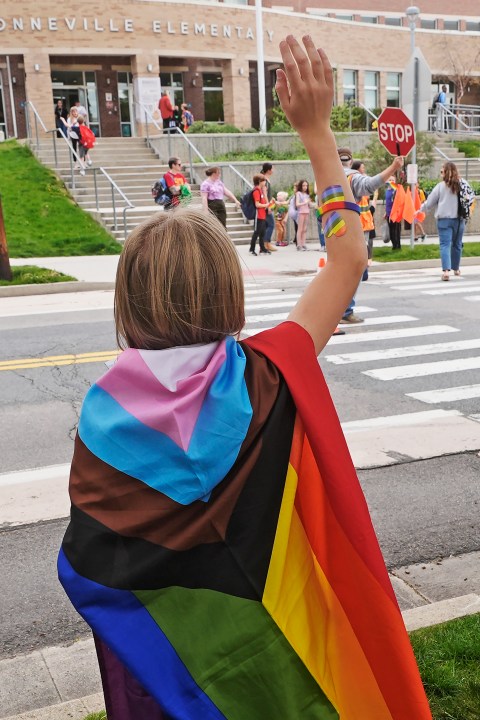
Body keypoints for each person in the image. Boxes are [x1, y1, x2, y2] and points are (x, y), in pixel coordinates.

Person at [58, 35, 431, 720]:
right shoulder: (269, 371)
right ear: (228, 295)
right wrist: (316, 132)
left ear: (129, 303)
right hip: (294, 673)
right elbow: (347, 257)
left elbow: (95, 569)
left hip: (181, 690)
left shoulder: (101, 417)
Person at [338, 147, 403, 322]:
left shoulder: (326, 175)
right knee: (354, 271)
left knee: (337, 271)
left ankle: (334, 309)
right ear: (350, 161)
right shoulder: (352, 177)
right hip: (351, 230)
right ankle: (344, 310)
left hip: (332, 230)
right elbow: (370, 185)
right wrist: (393, 167)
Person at [420, 161, 467, 281]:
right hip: (459, 220)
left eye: (442, 171)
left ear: (446, 172)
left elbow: (429, 203)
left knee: (445, 245)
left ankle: (446, 272)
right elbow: (469, 198)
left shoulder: (440, 187)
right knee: (457, 244)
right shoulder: (462, 185)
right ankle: (456, 269)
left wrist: (420, 210)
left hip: (444, 220)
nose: (441, 173)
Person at [249, 173, 270, 255]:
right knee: (257, 232)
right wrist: (266, 205)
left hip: (263, 215)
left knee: (263, 232)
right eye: (263, 180)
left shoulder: (261, 190)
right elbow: (257, 204)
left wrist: (267, 203)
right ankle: (252, 249)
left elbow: (263, 201)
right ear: (259, 181)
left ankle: (263, 248)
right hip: (258, 215)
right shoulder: (256, 191)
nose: (265, 182)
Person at [260, 162, 276, 252]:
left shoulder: (266, 179)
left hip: (267, 204)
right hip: (266, 206)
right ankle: (266, 244)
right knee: (271, 224)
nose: (273, 170)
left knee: (266, 225)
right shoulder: (264, 180)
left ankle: (266, 244)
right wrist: (268, 206)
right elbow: (264, 193)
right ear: (269, 170)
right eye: (272, 169)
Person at [385, 176, 402, 250]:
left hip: (396, 213)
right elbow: (387, 203)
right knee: (391, 230)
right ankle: (394, 245)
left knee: (396, 230)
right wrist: (385, 212)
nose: (391, 181)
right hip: (389, 213)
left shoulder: (395, 190)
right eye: (390, 180)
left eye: (393, 180)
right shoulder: (387, 191)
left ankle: (397, 245)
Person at [295, 179, 312, 251]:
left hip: (306, 212)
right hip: (301, 212)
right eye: (303, 185)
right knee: (300, 229)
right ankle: (299, 245)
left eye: (306, 185)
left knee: (304, 229)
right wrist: (305, 203)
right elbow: (297, 204)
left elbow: (309, 204)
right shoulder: (298, 193)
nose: (305, 187)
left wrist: (310, 203)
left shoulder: (307, 195)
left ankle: (303, 243)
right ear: (300, 186)